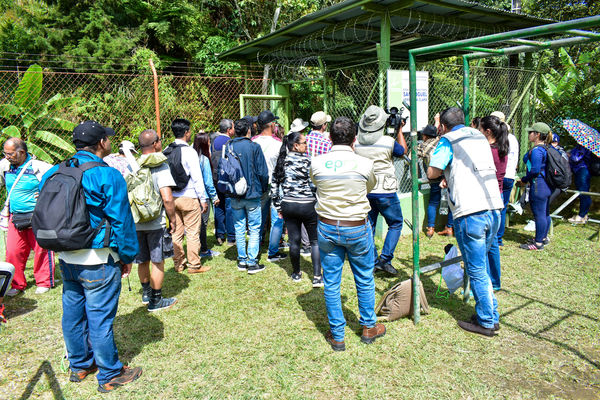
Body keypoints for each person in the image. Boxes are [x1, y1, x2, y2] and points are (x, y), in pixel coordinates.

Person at [40, 121, 142, 393]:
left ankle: (79, 365)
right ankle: (110, 373)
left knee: (72, 314)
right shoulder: (107, 175)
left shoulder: (54, 171)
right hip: (98, 257)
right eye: (108, 139)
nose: (110, 142)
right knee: (99, 317)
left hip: (66, 257)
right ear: (101, 144)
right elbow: (121, 221)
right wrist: (127, 255)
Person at [427, 107, 503, 337]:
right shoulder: (478, 135)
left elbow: (432, 172)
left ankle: (487, 321)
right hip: (494, 208)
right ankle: (490, 313)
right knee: (483, 268)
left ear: (443, 126)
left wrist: (441, 172)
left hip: (471, 213)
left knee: (476, 269)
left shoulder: (448, 140)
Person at [311, 116, 385, 351]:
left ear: (330, 137)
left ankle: (338, 335)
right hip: (357, 227)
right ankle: (368, 328)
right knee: (364, 277)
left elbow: (316, 184)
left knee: (331, 282)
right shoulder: (364, 164)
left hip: (327, 226)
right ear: (355, 139)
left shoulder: (317, 163)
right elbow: (369, 187)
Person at [354, 105, 407, 275]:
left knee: (369, 225)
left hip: (366, 189)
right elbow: (402, 151)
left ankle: (372, 260)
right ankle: (384, 259)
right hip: (386, 191)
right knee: (396, 223)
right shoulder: (387, 142)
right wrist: (399, 131)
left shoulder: (357, 143)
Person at [0, 138, 54, 296]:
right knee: (13, 251)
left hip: (38, 216)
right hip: (15, 216)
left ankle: (44, 281)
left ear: (22, 152)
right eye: (5, 153)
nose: (7, 156)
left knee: (42, 249)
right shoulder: (4, 166)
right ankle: (16, 284)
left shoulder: (39, 167)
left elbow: (58, 182)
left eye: (10, 154)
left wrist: (46, 192)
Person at [134, 129, 178, 312]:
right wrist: (173, 219)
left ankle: (145, 294)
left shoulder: (133, 164)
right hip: (155, 221)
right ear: (155, 144)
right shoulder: (160, 164)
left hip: (136, 220)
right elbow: (167, 198)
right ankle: (156, 300)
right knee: (158, 261)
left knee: (142, 260)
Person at [271, 131, 322, 287]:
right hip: (308, 205)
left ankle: (296, 273)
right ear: (296, 145)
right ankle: (317, 276)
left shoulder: (282, 161)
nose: (307, 145)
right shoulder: (309, 161)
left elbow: (274, 186)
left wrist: (278, 206)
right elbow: (314, 184)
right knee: (314, 241)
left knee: (294, 241)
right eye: (304, 143)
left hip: (289, 205)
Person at [165, 118, 209, 273]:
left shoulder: (167, 150)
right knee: (192, 233)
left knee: (176, 232)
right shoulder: (190, 152)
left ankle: (178, 264)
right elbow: (197, 177)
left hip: (171, 197)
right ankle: (194, 265)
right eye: (189, 131)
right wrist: (203, 199)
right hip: (189, 196)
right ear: (185, 132)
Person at [229, 118, 269, 274]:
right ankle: (252, 262)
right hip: (252, 194)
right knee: (254, 228)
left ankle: (242, 260)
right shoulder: (254, 147)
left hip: (235, 194)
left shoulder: (229, 146)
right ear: (248, 131)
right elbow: (263, 172)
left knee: (239, 228)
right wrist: (263, 188)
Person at [478, 115, 509, 291]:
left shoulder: (488, 151)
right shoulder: (502, 147)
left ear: (488, 132)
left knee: (481, 246)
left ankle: (484, 282)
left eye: (480, 130)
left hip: (485, 201)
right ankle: (494, 282)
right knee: (492, 245)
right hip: (497, 200)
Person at [254, 110, 286, 262]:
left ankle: (257, 246)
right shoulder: (279, 144)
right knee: (277, 218)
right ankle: (273, 251)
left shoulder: (253, 142)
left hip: (258, 186)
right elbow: (282, 167)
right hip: (275, 185)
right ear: (272, 125)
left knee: (258, 218)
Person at [518, 122, 553, 250]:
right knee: (545, 213)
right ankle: (543, 238)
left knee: (539, 214)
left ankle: (538, 243)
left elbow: (535, 170)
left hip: (538, 185)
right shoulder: (547, 148)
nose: (528, 134)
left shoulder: (538, 150)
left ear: (537, 134)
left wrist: (524, 179)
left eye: (530, 132)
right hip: (546, 185)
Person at [418, 124, 454, 238]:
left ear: (424, 135)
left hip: (434, 176)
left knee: (433, 202)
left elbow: (410, 158)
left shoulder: (422, 145)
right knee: (450, 202)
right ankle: (449, 227)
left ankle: (430, 228)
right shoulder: (442, 142)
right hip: (447, 174)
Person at [491, 111, 520, 248]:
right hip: (510, 175)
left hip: (500, 176)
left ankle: (495, 238)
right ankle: (499, 238)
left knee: (495, 208)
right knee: (502, 208)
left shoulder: (498, 140)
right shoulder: (513, 138)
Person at [193, 131, 221, 257]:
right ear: (205, 144)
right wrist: (214, 197)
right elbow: (208, 182)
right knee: (202, 223)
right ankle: (203, 250)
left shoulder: (191, 157)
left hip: (190, 195)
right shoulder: (203, 159)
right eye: (209, 141)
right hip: (203, 195)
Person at [211, 119, 236, 245]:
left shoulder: (213, 141)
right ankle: (231, 236)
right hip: (228, 179)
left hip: (216, 178)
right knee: (230, 206)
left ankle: (220, 234)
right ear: (228, 130)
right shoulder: (230, 142)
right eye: (233, 127)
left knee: (219, 205)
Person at [568, 144, 592, 224]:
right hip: (579, 171)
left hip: (582, 170)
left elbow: (576, 158)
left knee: (583, 193)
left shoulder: (583, 146)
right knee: (583, 193)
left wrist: (569, 155)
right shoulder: (579, 146)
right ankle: (584, 214)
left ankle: (581, 216)